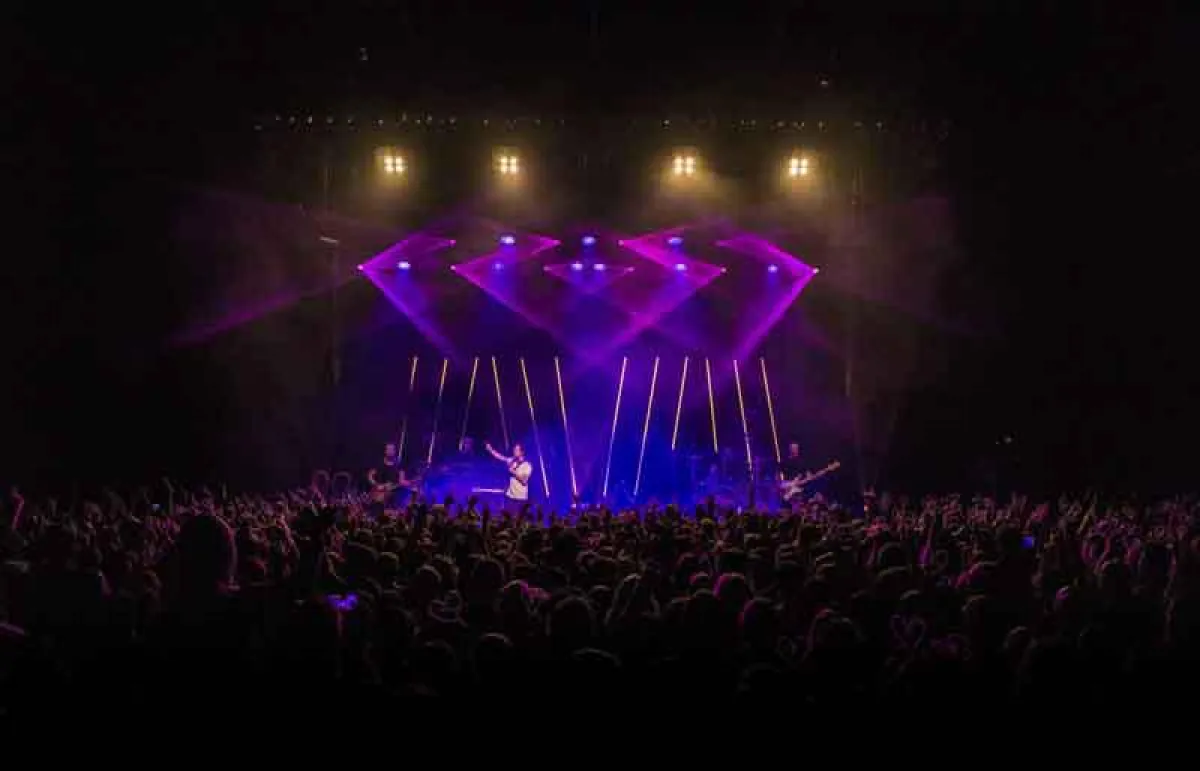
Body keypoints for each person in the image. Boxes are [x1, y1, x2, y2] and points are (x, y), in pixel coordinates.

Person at [484, 441, 533, 508]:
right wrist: (490, 450)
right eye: (514, 450)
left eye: (516, 450)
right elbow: (500, 457)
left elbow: (524, 481)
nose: (514, 452)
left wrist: (513, 472)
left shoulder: (527, 465)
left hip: (520, 498)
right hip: (509, 496)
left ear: (522, 452)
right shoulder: (512, 460)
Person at [367, 442, 411, 507]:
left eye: (392, 449)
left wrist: (409, 483)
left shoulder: (399, 464)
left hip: (393, 493)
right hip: (379, 492)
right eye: (388, 449)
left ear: (394, 451)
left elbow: (401, 480)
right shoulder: (379, 462)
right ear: (385, 451)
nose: (390, 451)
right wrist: (376, 485)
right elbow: (370, 476)